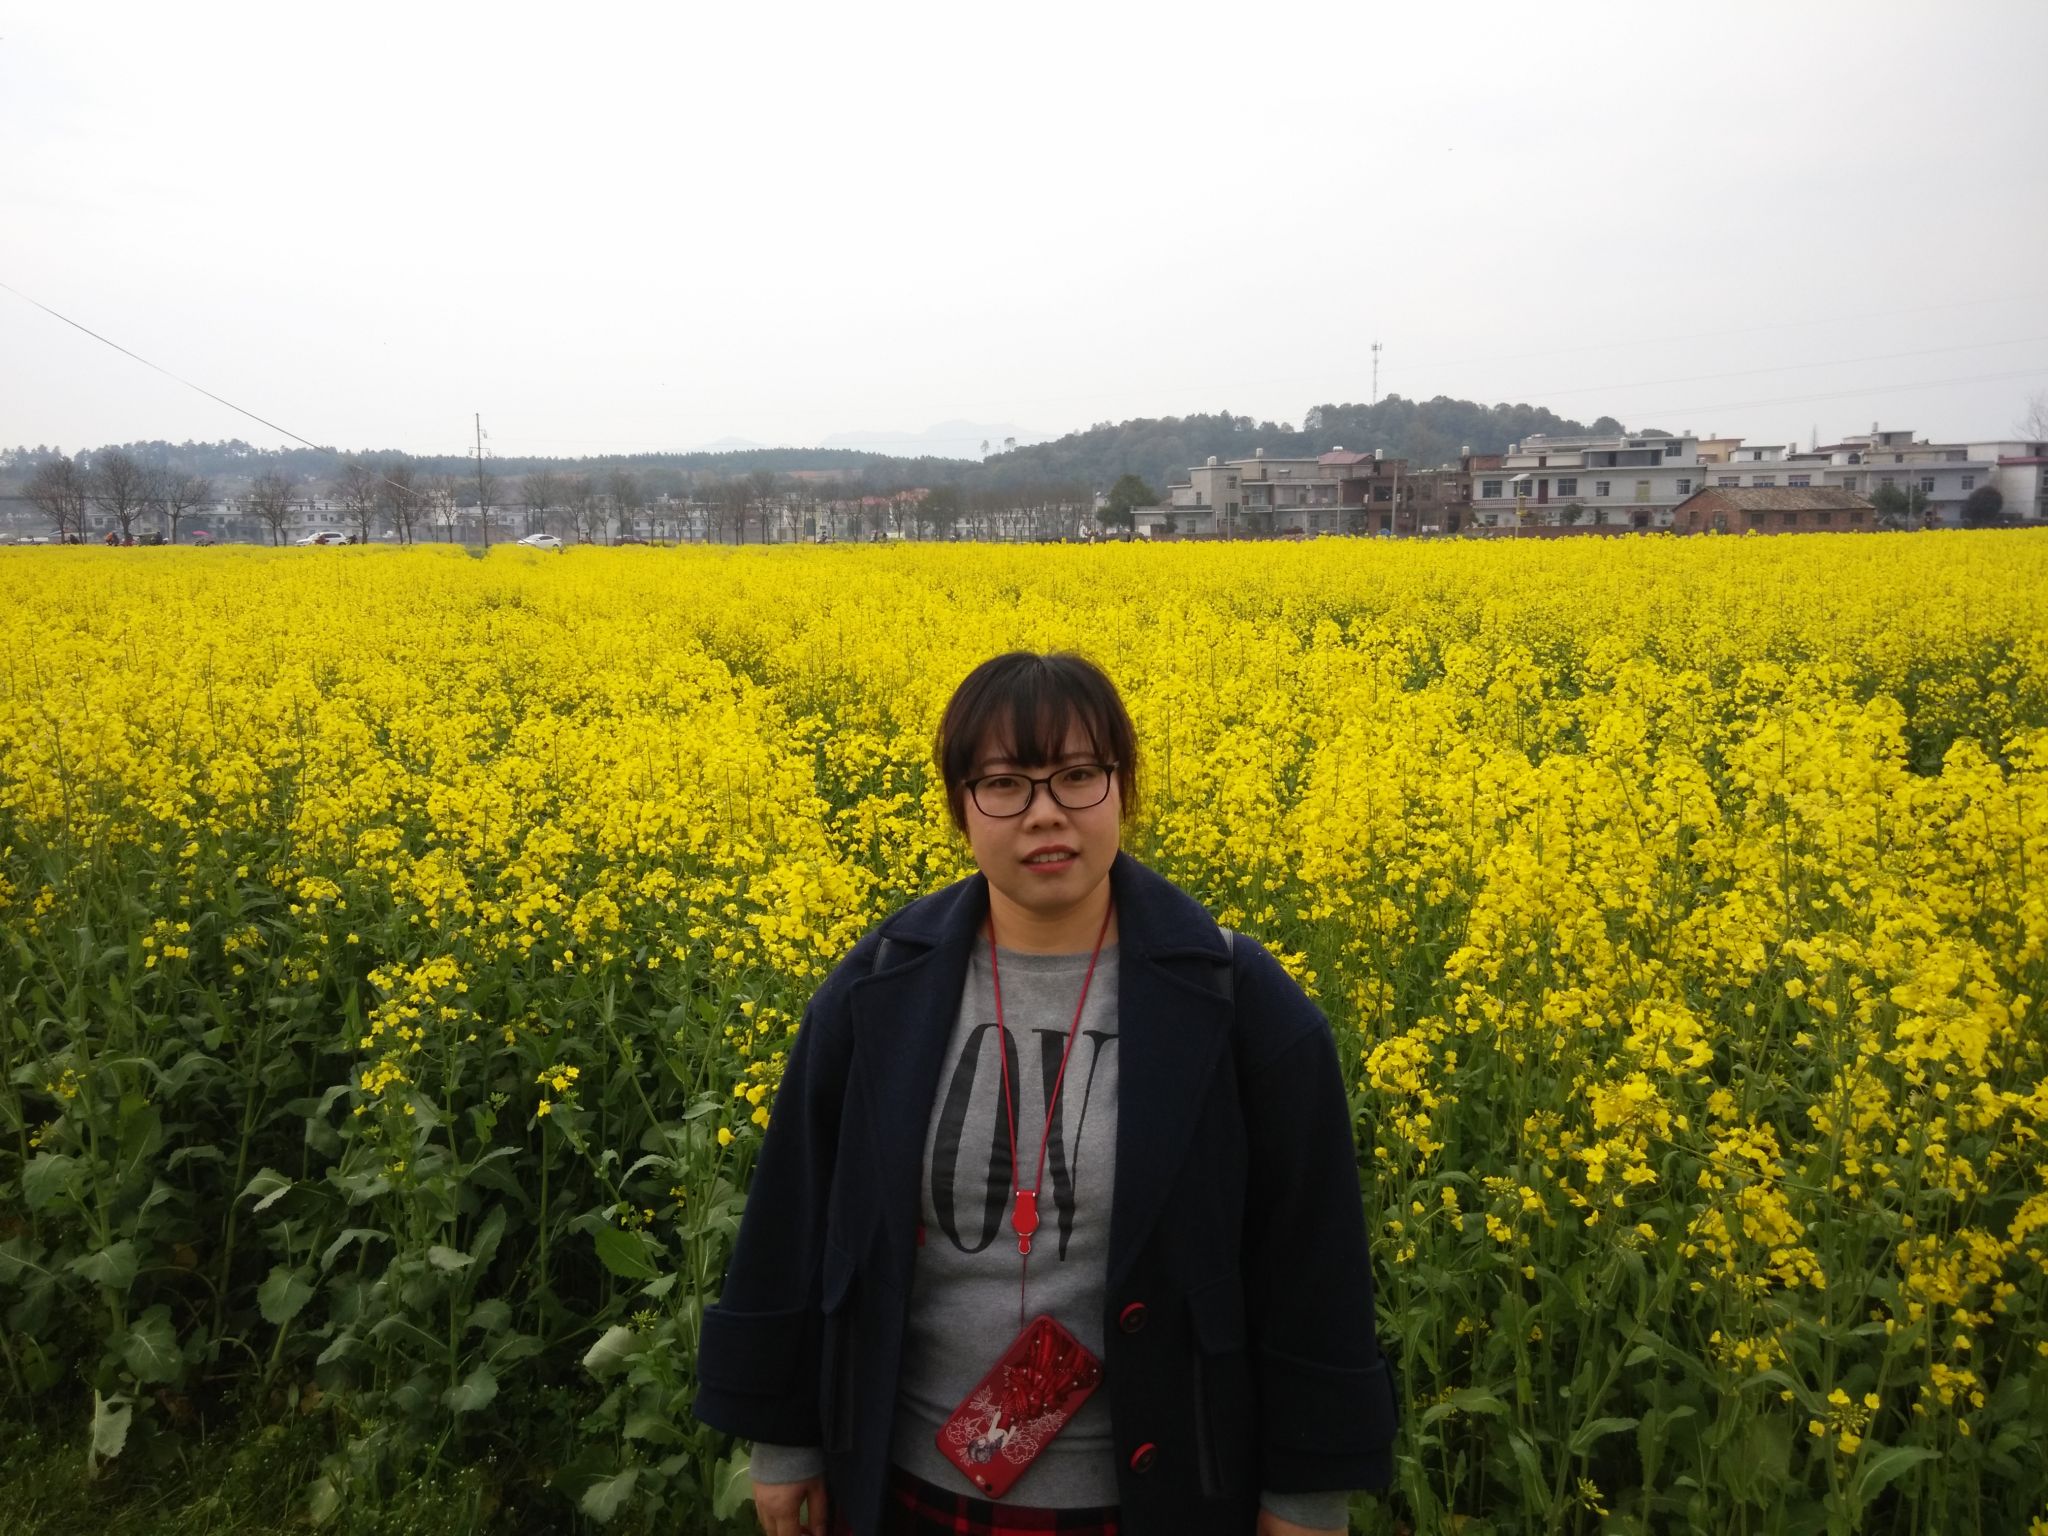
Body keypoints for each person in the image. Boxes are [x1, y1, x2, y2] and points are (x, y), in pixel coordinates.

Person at [692, 651, 1398, 1536]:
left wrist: (1307, 1494)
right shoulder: (878, 989)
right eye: (1004, 784)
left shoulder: (1237, 1002)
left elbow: (1311, 1258)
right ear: (959, 808)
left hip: (1159, 1496)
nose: (1045, 813)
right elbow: (794, 1215)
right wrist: (783, 1438)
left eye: (1077, 776)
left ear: (1123, 789)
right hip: (908, 1483)